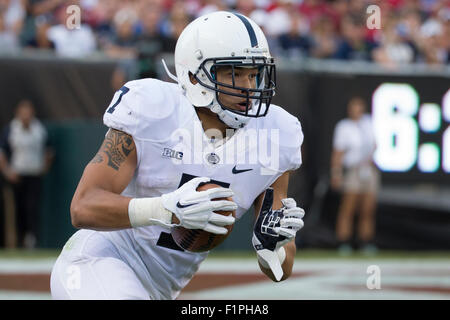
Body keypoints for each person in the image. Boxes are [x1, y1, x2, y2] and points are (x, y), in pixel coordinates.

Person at [50, 11, 305, 300]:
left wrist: (272, 249)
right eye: (234, 72)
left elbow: (281, 271)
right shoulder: (152, 107)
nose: (248, 87)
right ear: (195, 75)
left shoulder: (276, 133)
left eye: (254, 73)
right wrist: (165, 210)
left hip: (162, 289)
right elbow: (83, 207)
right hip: (99, 261)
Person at [0, 99, 54, 248]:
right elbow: (2, 153)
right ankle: (19, 240)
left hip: (34, 176)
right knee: (19, 209)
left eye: (28, 112)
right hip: (17, 176)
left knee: (32, 208)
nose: (26, 115)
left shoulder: (39, 129)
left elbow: (49, 151)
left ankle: (32, 241)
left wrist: (44, 168)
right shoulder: (11, 129)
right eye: (23, 112)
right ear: (18, 113)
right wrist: (8, 172)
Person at [330, 96, 380, 256]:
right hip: (353, 170)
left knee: (368, 208)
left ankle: (365, 242)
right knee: (348, 207)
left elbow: (375, 145)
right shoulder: (344, 127)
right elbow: (338, 153)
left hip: (368, 169)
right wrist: (336, 173)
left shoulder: (368, 123)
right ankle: (343, 242)